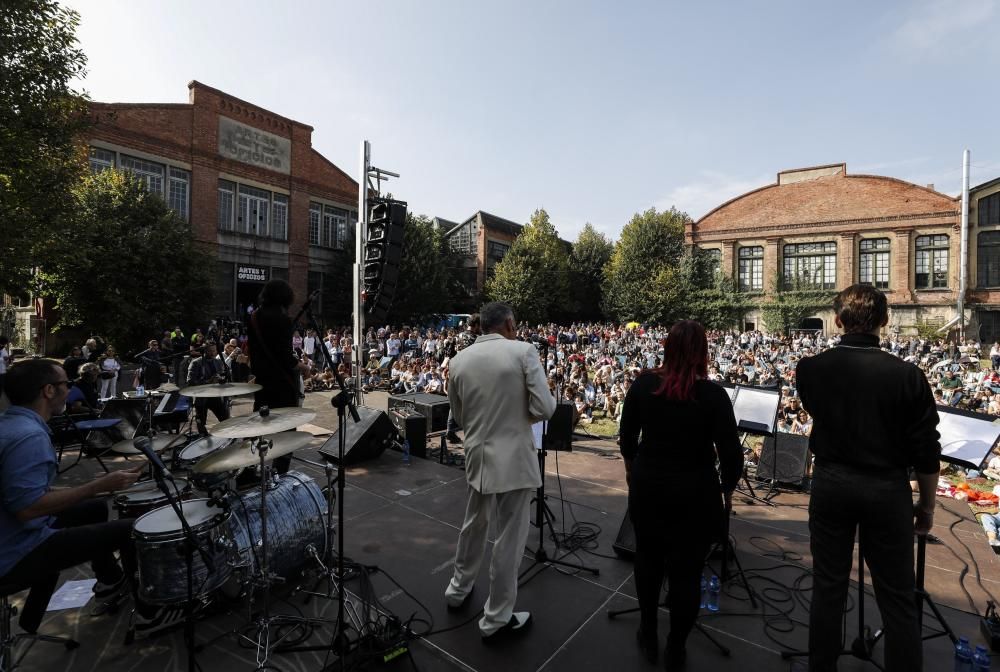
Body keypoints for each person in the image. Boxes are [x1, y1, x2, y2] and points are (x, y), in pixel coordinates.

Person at [796, 284, 940, 672]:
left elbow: (818, 412)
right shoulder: (908, 376)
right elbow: (927, 450)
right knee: (897, 597)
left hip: (831, 483)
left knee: (828, 587)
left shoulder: (810, 370)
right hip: (886, 490)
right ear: (884, 321)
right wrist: (926, 506)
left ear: (838, 321)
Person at [618, 320, 743, 669]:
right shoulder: (713, 395)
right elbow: (732, 456)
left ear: (667, 348)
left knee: (648, 559)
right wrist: (726, 489)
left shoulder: (643, 385)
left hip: (649, 486)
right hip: (696, 492)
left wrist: (631, 471)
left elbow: (626, 438)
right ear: (702, 352)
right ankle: (676, 646)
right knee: (687, 573)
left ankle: (648, 630)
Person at [0, 359, 142, 633]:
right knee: (130, 530)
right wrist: (93, 487)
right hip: (15, 550)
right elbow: (27, 508)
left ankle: (110, 581)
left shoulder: (10, 425)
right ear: (48, 391)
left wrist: (96, 486)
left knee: (94, 508)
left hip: (10, 532)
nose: (70, 389)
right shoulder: (29, 437)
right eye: (66, 383)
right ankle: (148, 613)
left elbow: (22, 491)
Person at [443, 302, 556, 642]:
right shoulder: (523, 351)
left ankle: (457, 589)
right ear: (508, 323)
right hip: (515, 460)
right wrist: (517, 419)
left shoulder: (459, 360)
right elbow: (546, 408)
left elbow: (459, 417)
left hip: (477, 454)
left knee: (473, 524)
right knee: (509, 538)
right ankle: (495, 619)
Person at [248, 279, 310, 474]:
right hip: (282, 383)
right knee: (287, 432)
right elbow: (284, 356)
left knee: (257, 427)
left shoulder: (254, 316)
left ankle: (247, 471)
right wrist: (301, 365)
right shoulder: (282, 319)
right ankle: (280, 473)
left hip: (262, 381)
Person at [186, 341, 232, 434]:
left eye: (214, 351)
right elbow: (190, 381)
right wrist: (208, 381)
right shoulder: (196, 363)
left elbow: (224, 376)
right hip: (202, 397)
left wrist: (222, 379)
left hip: (217, 396)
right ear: (204, 351)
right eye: (210, 351)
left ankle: (228, 439)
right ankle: (204, 441)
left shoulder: (218, 362)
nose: (212, 353)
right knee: (201, 423)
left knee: (226, 421)